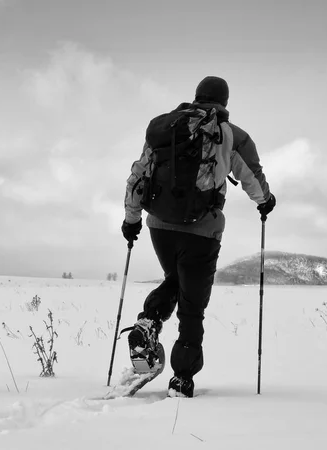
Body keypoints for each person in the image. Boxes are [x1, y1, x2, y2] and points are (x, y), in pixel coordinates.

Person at [121, 76, 276, 397]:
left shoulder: (168, 129)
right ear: (225, 102)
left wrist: (131, 219)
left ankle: (148, 322)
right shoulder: (230, 134)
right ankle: (181, 380)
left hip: (159, 226)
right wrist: (266, 201)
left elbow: (139, 174)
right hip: (202, 231)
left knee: (175, 281)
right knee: (192, 306)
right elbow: (252, 177)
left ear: (196, 96)